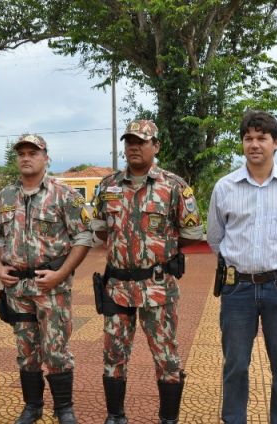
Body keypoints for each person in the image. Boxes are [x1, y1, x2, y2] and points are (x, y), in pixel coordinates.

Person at [207, 110, 277, 424]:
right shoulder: (225, 187)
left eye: (262, 138)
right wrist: (241, 262)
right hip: (237, 288)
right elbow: (215, 238)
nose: (254, 144)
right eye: (248, 138)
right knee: (235, 366)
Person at [91, 119, 203, 424]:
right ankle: (115, 416)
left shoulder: (174, 186)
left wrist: (158, 251)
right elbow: (100, 230)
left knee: (166, 355)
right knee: (113, 354)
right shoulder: (108, 185)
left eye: (141, 141)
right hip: (117, 286)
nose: (134, 147)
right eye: (129, 141)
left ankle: (168, 418)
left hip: (157, 286)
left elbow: (192, 234)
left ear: (156, 146)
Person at [0, 134, 92, 424]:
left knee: (56, 349)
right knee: (25, 350)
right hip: (17, 288)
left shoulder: (65, 194)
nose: (26, 157)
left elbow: (84, 236)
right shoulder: (5, 196)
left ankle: (64, 408)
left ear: (46, 158)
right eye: (21, 153)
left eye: (33, 153)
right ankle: (32, 406)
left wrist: (61, 274)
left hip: (51, 286)